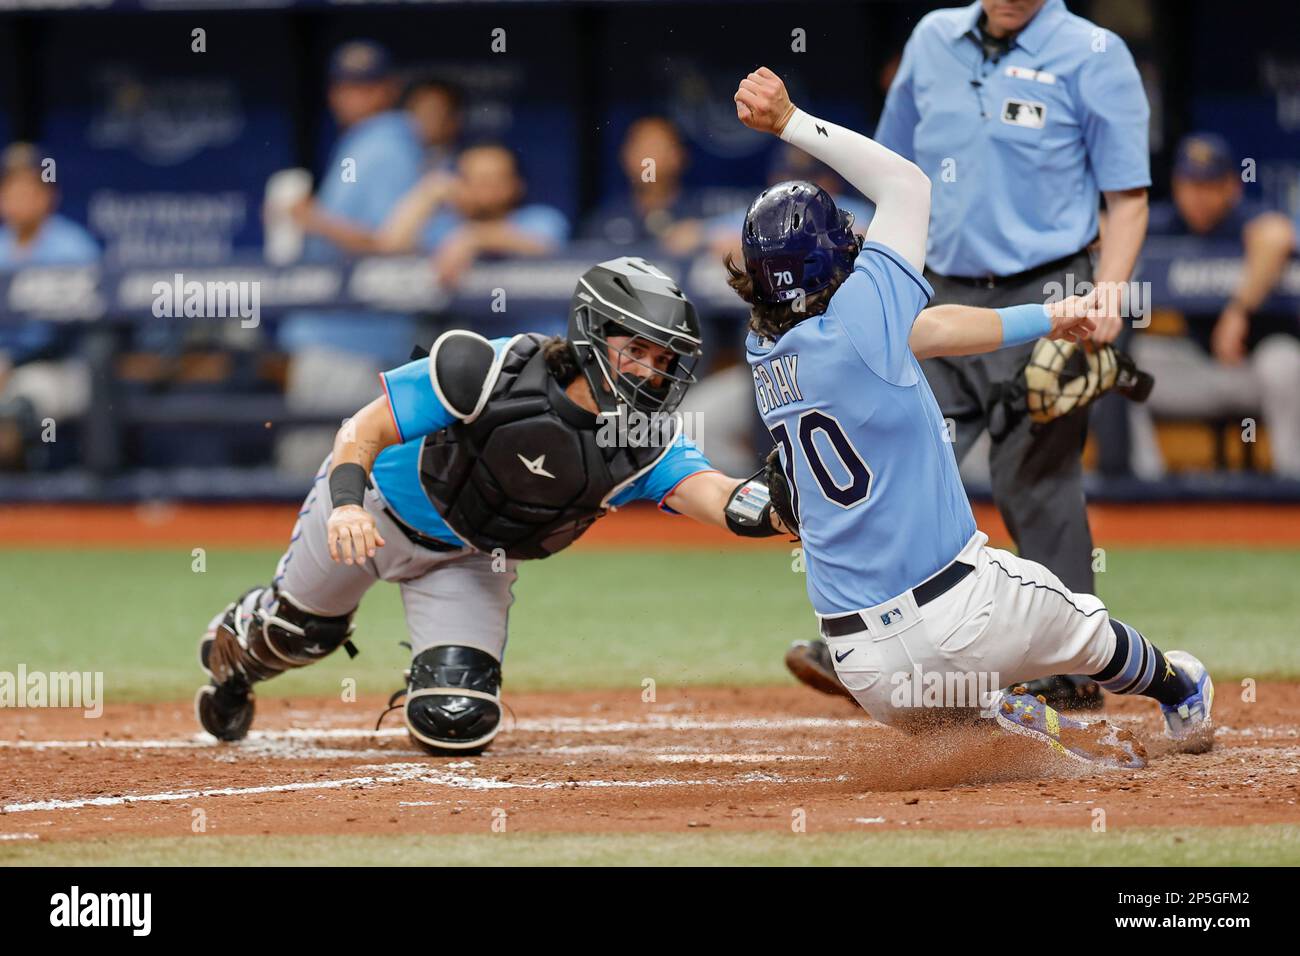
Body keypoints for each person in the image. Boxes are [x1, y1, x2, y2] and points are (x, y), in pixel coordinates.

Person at [729, 67, 1211, 764]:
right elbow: (908, 185)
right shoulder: (865, 312)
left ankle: (1006, 721)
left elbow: (931, 329)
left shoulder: (763, 347)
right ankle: (1179, 691)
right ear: (836, 253)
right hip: (965, 616)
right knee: (1085, 626)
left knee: (965, 728)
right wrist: (791, 121)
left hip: (864, 667)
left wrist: (1048, 317)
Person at [196, 257, 787, 756]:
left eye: (663, 361)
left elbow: (715, 493)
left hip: (469, 557)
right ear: (591, 334)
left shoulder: (642, 440)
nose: (651, 372)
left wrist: (784, 510)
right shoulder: (490, 370)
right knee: (296, 634)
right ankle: (237, 652)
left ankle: (431, 673)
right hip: (371, 509)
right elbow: (362, 430)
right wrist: (347, 504)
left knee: (456, 719)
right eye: (637, 350)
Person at [784, 0, 1152, 710]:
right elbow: (889, 170)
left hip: (1045, 288)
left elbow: (1127, 199)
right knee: (891, 450)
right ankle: (864, 639)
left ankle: (1074, 668)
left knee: (1034, 477)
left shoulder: (1095, 52)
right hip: (933, 288)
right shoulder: (931, 36)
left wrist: (1105, 296)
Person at [275, 40, 425, 478]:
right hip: (345, 332)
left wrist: (310, 218)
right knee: (337, 470)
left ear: (388, 88)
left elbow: (391, 242)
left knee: (315, 473)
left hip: (355, 336)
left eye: (366, 86)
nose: (352, 96)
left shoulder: (388, 144)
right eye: (345, 85)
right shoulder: (369, 140)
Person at [1130, 133, 1300, 478]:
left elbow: (1278, 234)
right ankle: (1147, 492)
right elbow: (1108, 229)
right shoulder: (1168, 223)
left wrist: (1238, 311)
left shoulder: (1246, 217)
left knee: (1285, 362)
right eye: (1189, 184)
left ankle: (1291, 485)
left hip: (1255, 369)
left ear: (1231, 187)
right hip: (1200, 369)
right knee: (1118, 366)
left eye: (1209, 185)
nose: (1198, 197)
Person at [0, 143, 101, 468]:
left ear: (48, 196)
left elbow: (80, 329)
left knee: (20, 408)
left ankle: (28, 503)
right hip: (4, 365)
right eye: (10, 186)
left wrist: (11, 364)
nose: (18, 195)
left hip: (59, 365)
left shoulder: (72, 248)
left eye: (29, 186)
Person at [370, 143, 569, 289]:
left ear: (517, 185)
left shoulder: (540, 218)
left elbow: (543, 245)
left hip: (531, 342)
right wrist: (429, 192)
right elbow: (390, 247)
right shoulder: (446, 228)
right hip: (462, 340)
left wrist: (474, 238)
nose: (487, 189)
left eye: (496, 179)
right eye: (476, 180)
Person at [581, 116, 708, 254]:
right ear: (625, 156)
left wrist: (705, 237)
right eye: (639, 147)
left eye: (655, 147)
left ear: (678, 156)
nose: (646, 158)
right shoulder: (603, 219)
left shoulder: (703, 216)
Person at [404, 74, 463, 173]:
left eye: (433, 111)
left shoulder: (462, 166)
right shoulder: (400, 155)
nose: (424, 119)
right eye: (418, 109)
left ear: (454, 119)